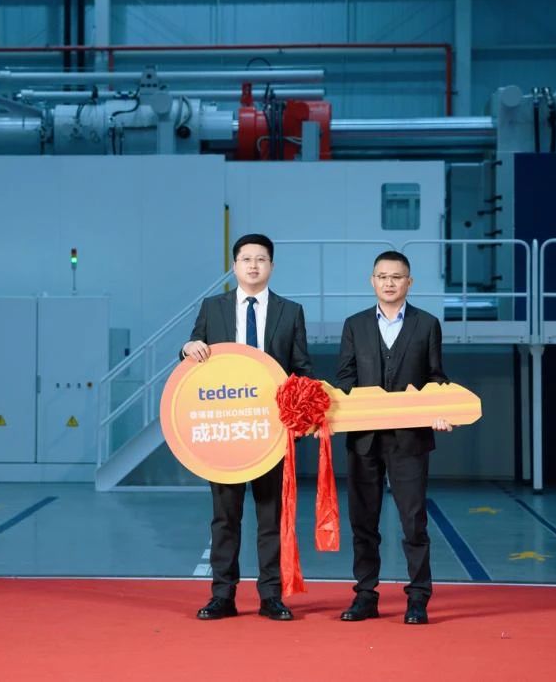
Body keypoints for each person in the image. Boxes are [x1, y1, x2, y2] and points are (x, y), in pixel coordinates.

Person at [181, 233, 312, 622]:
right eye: (246, 259)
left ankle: (271, 596)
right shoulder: (213, 308)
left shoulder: (291, 312)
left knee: (271, 518)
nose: (253, 265)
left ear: (271, 266)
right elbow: (193, 352)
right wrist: (187, 348)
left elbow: (302, 370)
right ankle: (222, 595)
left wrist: (302, 415)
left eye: (261, 259)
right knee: (225, 517)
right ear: (234, 266)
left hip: (271, 433)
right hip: (227, 432)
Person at [334, 250, 451, 625]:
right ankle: (365, 595)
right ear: (372, 281)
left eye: (396, 277)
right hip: (364, 439)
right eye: (382, 276)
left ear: (409, 282)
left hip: (410, 439)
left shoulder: (427, 324)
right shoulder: (354, 325)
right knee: (363, 521)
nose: (389, 283)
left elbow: (436, 377)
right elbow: (345, 378)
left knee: (414, 521)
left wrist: (440, 409)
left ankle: (418, 598)